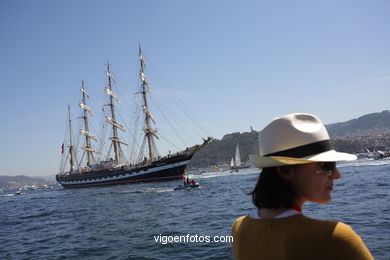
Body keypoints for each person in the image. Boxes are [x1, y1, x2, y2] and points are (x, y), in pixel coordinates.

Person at [232, 113, 373, 260]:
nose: (337, 174)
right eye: (326, 165)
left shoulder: (239, 228)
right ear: (285, 170)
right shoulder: (334, 237)